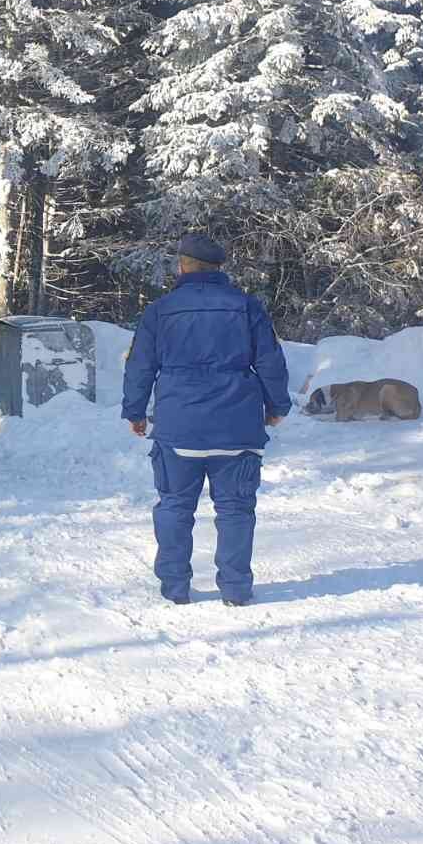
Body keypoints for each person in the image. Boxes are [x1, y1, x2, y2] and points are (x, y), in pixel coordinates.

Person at [120, 233, 292, 607]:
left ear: (182, 266)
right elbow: (271, 362)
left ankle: (174, 587)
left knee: (174, 506)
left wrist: (135, 412)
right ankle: (236, 589)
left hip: (179, 428)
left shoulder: (160, 311)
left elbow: (139, 365)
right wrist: (277, 406)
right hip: (237, 427)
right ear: (218, 268)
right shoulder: (247, 307)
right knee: (236, 510)